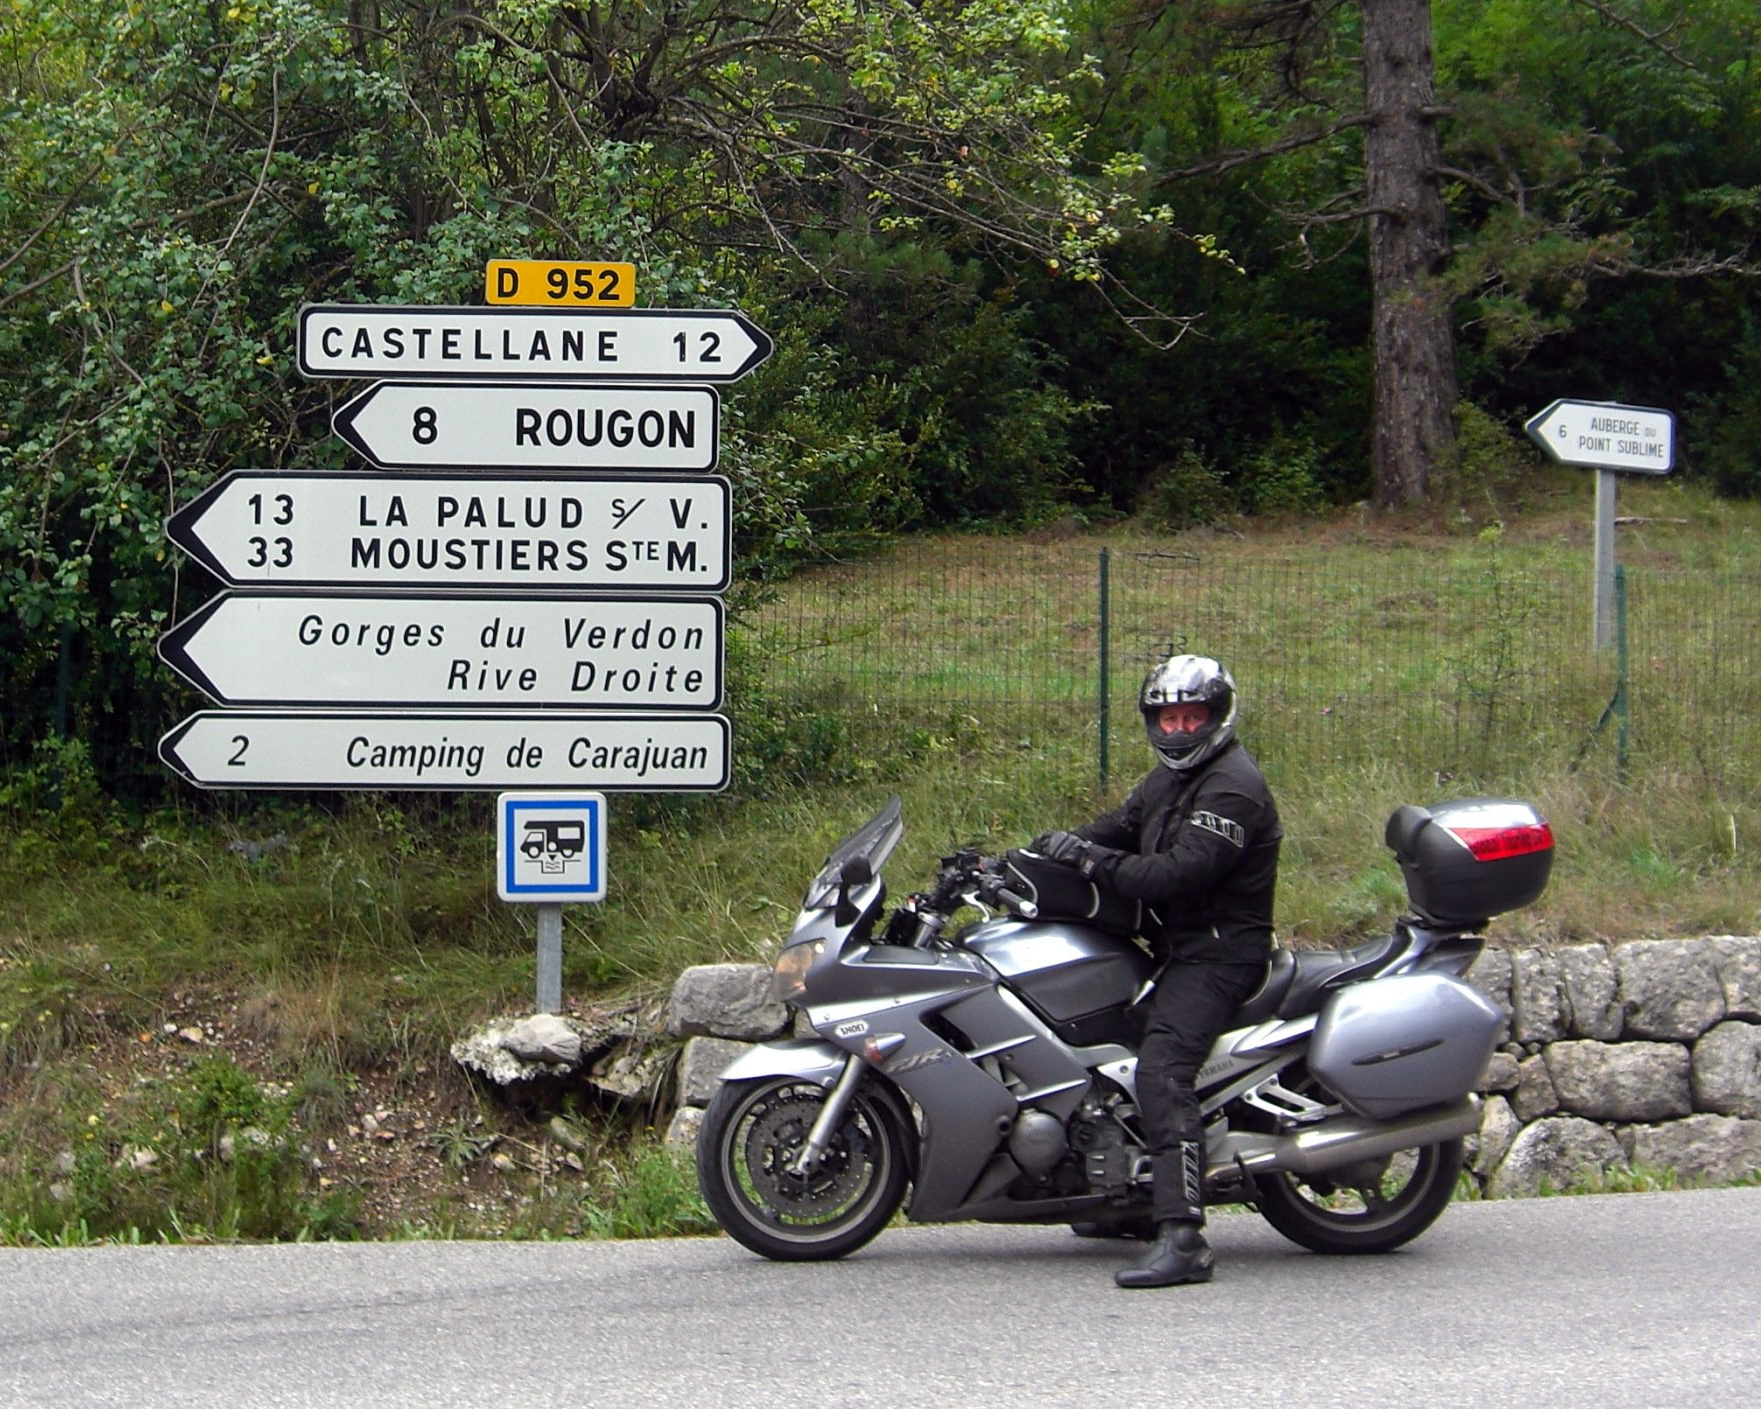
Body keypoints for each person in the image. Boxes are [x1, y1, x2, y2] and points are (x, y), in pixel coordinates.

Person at [1032, 652, 1281, 1288]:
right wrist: (1030, 855)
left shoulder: (1233, 786)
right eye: (1166, 719)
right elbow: (1115, 829)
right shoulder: (1165, 781)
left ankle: (1184, 1235)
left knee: (1163, 1069)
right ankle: (1131, 1199)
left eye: (1190, 716)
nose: (1177, 731)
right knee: (1110, 1049)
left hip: (1221, 955)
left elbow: (1177, 875)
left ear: (1216, 717)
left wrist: (1087, 861)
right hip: (1178, 950)